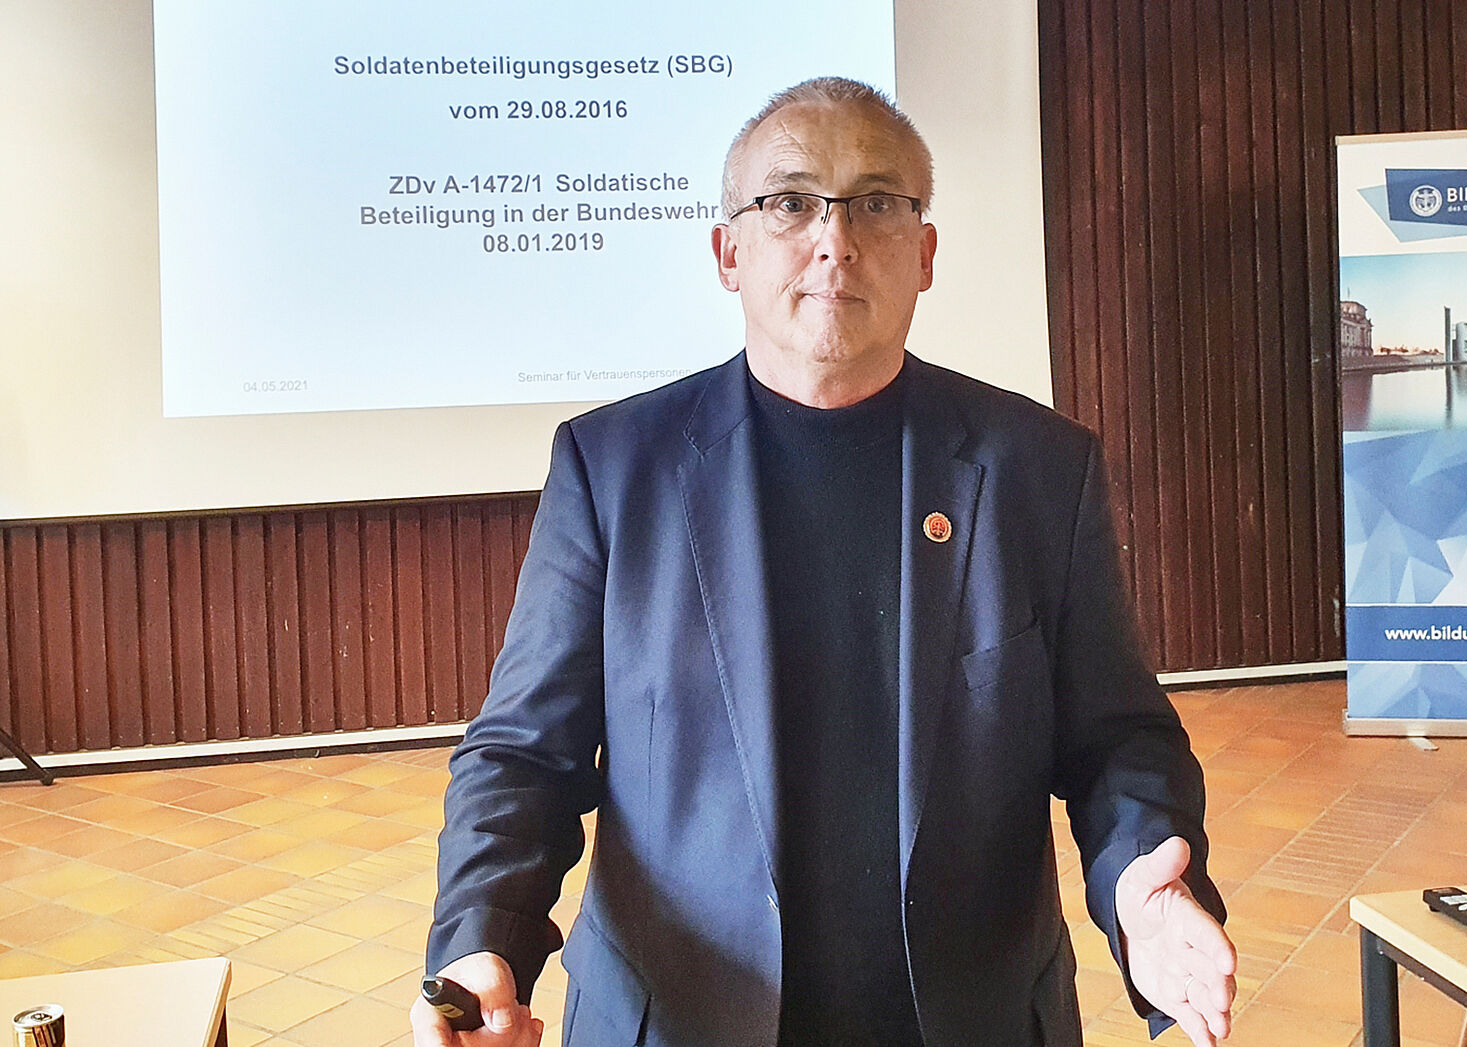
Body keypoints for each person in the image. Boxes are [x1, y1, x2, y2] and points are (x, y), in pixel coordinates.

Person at [412, 76, 1236, 1047]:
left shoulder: (1038, 470)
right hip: (677, 1019)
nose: (834, 240)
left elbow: (1117, 739)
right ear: (728, 252)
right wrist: (483, 942)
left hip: (965, 1020)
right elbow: (524, 754)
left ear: (925, 254)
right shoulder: (612, 470)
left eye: (877, 203)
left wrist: (1147, 887)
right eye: (790, 201)